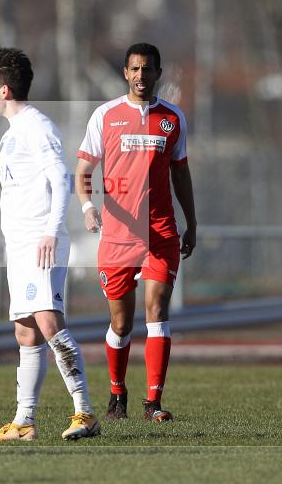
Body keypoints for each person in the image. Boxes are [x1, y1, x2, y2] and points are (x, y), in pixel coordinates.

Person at [0, 47, 99, 441]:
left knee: (50, 324)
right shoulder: (10, 136)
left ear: (4, 90)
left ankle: (85, 413)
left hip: (43, 243)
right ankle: (24, 423)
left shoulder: (38, 126)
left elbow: (62, 179)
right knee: (26, 332)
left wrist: (52, 231)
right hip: (20, 248)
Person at [74, 42, 197, 423]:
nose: (141, 76)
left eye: (148, 69)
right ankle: (117, 394)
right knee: (121, 323)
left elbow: (180, 174)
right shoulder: (105, 116)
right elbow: (82, 173)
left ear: (158, 73)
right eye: (134, 69)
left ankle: (153, 403)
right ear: (125, 73)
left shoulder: (173, 119)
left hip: (160, 230)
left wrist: (192, 221)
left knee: (157, 310)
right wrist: (88, 207)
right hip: (117, 234)